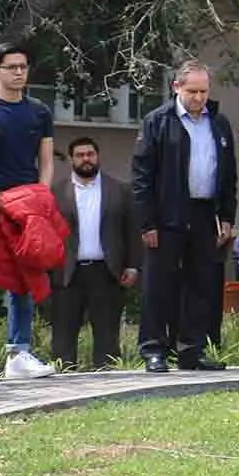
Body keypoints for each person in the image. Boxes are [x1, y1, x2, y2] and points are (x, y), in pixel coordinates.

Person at [132, 60, 238, 373]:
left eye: (204, 91)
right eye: (192, 91)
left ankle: (192, 349)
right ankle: (154, 349)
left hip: (205, 213)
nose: (199, 97)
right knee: (159, 284)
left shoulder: (218, 123)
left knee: (201, 284)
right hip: (167, 214)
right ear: (176, 87)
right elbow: (142, 175)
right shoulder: (158, 121)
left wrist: (227, 216)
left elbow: (228, 174)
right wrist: (146, 222)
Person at [0, 41, 57, 379]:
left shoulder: (39, 111)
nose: (19, 72)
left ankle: (19, 353)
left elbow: (45, 162)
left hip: (26, 206)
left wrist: (40, 199)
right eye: (11, 67)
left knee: (23, 278)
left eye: (23, 66)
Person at [49, 137, 138, 371]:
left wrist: (132, 265)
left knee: (107, 335)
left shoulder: (119, 189)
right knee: (63, 335)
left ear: (98, 157)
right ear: (71, 160)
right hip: (68, 273)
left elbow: (131, 230)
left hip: (107, 272)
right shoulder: (55, 192)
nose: (86, 159)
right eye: (80, 155)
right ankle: (63, 380)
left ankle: (106, 384)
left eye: (90, 154)